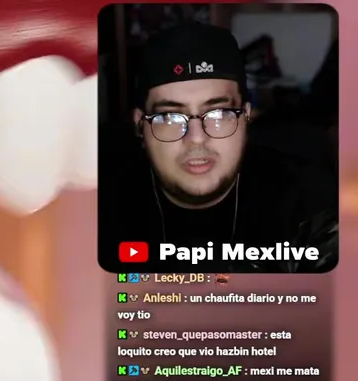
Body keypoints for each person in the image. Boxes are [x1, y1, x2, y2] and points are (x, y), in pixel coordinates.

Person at [101, 22, 338, 272]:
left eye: (218, 114)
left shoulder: (310, 204)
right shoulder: (95, 214)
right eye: (170, 117)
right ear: (140, 125)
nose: (196, 138)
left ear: (246, 116)